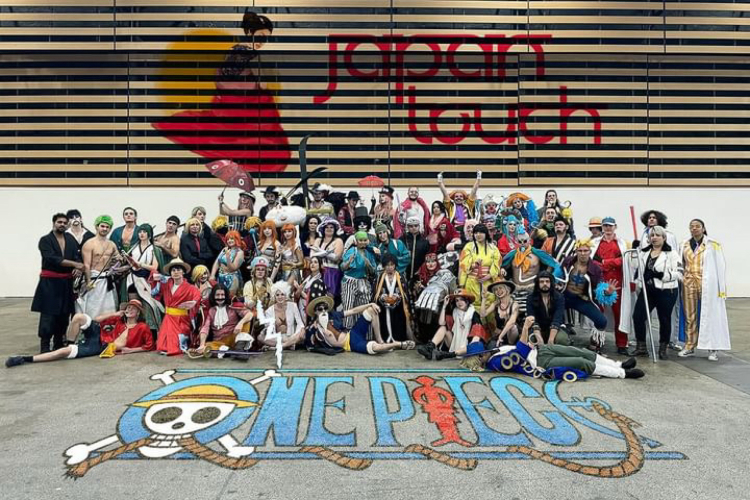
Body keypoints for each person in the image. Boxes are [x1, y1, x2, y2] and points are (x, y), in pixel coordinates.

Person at [486, 315, 645, 380]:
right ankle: (622, 373)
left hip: (541, 350)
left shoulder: (498, 351)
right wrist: (526, 328)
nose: (489, 351)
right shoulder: (494, 363)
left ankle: (619, 365)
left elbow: (522, 348)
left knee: (581, 352)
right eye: (484, 353)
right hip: (541, 363)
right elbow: (520, 352)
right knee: (580, 362)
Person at [6, 300, 153, 368]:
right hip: (99, 334)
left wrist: (130, 351)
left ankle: (25, 359)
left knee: (64, 352)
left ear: (138, 313)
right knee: (78, 317)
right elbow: (97, 320)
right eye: (128, 307)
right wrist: (114, 313)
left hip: (102, 346)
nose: (129, 310)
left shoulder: (142, 327)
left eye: (133, 308)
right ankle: (71, 343)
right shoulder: (119, 320)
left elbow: (149, 345)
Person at [677, 219, 730, 361]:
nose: (694, 229)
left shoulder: (713, 245)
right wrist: (680, 277)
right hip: (688, 283)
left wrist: (721, 288)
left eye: (697, 226)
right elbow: (679, 263)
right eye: (691, 226)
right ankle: (690, 345)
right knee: (690, 316)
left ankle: (712, 348)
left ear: (703, 228)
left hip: (707, 284)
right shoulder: (684, 244)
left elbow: (720, 266)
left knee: (710, 314)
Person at [628, 226, 683, 360]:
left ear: (664, 238)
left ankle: (663, 348)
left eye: (658, 235)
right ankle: (641, 347)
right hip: (648, 290)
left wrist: (662, 275)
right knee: (638, 316)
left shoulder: (671, 253)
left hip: (666, 291)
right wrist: (634, 252)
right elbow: (635, 266)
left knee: (664, 319)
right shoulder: (644, 252)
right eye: (652, 235)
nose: (654, 238)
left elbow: (680, 273)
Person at [32, 213, 83, 353]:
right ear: (53, 223)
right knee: (49, 314)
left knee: (64, 314)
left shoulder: (70, 239)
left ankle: (59, 342)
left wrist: (77, 267)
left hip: (66, 282)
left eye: (65, 223)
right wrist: (75, 264)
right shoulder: (45, 240)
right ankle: (45, 345)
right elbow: (51, 258)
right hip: (50, 282)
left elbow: (77, 257)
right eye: (59, 222)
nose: (62, 224)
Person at [304, 296, 415, 355]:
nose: (323, 310)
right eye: (320, 309)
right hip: (351, 344)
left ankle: (380, 340)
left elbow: (353, 311)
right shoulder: (313, 329)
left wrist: (370, 304)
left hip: (353, 333)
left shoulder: (334, 315)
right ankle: (398, 344)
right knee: (375, 348)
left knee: (371, 310)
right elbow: (302, 337)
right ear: (315, 312)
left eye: (325, 308)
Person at [561, 240, 613, 352]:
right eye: (580, 251)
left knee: (602, 321)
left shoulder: (595, 268)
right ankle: (555, 338)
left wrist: (606, 292)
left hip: (581, 299)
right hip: (564, 296)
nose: (583, 253)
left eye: (585, 251)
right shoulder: (568, 261)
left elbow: (600, 285)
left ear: (590, 252)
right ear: (576, 251)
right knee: (549, 312)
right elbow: (559, 273)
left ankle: (595, 341)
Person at [591, 217, 632, 354]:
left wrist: (605, 262)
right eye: (605, 226)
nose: (608, 228)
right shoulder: (595, 243)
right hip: (600, 281)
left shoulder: (623, 243)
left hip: (618, 282)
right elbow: (592, 261)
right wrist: (611, 262)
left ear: (615, 227)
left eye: (610, 225)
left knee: (620, 313)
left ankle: (622, 344)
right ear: (602, 227)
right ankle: (597, 341)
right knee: (598, 312)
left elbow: (624, 260)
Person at [417, 289, 487, 360]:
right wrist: (444, 306)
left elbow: (476, 336)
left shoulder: (473, 314)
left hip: (467, 347)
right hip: (454, 344)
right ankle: (430, 348)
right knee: (443, 328)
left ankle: (450, 354)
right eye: (457, 300)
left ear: (467, 301)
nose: (459, 302)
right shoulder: (455, 312)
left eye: (461, 300)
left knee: (477, 345)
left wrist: (470, 348)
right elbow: (441, 323)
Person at [153, 259, 200, 356]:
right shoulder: (166, 284)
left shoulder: (190, 287)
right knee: (162, 345)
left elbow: (197, 294)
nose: (176, 272)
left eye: (178, 270)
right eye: (173, 270)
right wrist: (156, 278)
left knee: (176, 344)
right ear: (170, 273)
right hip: (168, 318)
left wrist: (194, 302)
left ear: (183, 272)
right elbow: (154, 290)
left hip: (180, 320)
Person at [192, 284, 255, 355]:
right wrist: (202, 345)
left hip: (235, 337)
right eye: (217, 295)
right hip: (219, 342)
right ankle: (228, 351)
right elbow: (205, 328)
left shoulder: (233, 306)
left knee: (246, 321)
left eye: (222, 295)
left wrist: (240, 323)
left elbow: (250, 314)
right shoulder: (211, 311)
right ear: (213, 296)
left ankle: (239, 348)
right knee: (207, 347)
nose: (220, 297)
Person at [76, 215, 118, 319]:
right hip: (94, 279)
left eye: (107, 227)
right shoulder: (89, 244)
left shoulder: (112, 244)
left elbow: (118, 258)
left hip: (107, 280)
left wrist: (119, 259)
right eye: (102, 226)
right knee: (93, 308)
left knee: (109, 308)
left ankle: (107, 327)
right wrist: (88, 281)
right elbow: (87, 265)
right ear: (96, 226)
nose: (105, 229)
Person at [341, 231, 378, 329]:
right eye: (360, 240)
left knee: (364, 309)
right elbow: (343, 267)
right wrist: (348, 262)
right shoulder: (352, 251)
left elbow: (373, 272)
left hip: (363, 282)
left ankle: (363, 334)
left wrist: (368, 265)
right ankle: (347, 332)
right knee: (348, 307)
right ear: (356, 241)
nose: (363, 242)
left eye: (365, 240)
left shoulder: (369, 253)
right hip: (350, 281)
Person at [458, 223, 501, 307]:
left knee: (489, 305)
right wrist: (473, 265)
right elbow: (463, 265)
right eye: (476, 232)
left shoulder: (493, 248)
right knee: (472, 305)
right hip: (472, 282)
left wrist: (489, 276)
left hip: (488, 282)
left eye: (481, 232)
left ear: (486, 233)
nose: (478, 235)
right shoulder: (468, 247)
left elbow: (497, 264)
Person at [373, 254, 414, 343]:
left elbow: (405, 293)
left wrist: (398, 297)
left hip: (398, 308)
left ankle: (399, 340)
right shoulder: (379, 278)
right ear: (384, 266)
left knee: (398, 322)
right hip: (383, 308)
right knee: (383, 322)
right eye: (387, 265)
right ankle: (385, 339)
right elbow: (375, 294)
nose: (389, 267)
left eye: (392, 265)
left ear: (395, 265)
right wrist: (382, 297)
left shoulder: (401, 277)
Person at [525, 271, 569, 345]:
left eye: (547, 281)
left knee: (562, 340)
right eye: (541, 282)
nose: (545, 284)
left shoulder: (559, 297)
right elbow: (532, 318)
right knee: (531, 340)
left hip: (556, 328)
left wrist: (551, 340)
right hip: (538, 328)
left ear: (551, 283)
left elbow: (557, 319)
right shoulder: (530, 298)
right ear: (537, 284)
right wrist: (538, 337)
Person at [260, 281, 306, 349]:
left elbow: (300, 323)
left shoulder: (293, 306)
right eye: (277, 295)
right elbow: (268, 329)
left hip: (291, 336)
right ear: (274, 296)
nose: (280, 297)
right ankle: (288, 344)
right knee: (260, 337)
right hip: (277, 338)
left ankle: (280, 346)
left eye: (282, 294)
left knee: (302, 334)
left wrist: (302, 329)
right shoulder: (269, 311)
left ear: (286, 296)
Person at [311, 217, 344, 300]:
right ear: (323, 229)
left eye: (331, 227)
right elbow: (312, 255)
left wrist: (319, 251)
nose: (329, 229)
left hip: (332, 273)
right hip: (318, 271)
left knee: (329, 298)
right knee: (317, 296)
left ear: (335, 229)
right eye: (327, 227)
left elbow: (336, 258)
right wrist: (328, 253)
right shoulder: (318, 240)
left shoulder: (338, 241)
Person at [481, 278, 520, 346]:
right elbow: (483, 314)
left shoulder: (514, 305)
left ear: (507, 289)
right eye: (496, 289)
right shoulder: (495, 304)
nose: (498, 291)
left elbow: (512, 322)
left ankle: (510, 346)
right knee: (491, 346)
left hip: (512, 336)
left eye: (500, 288)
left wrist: (500, 336)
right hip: (499, 334)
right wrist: (484, 299)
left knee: (513, 327)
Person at [211, 230, 245, 297]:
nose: (229, 241)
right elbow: (217, 262)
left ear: (236, 239)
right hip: (220, 277)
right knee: (220, 297)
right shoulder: (225, 249)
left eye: (232, 238)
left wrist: (228, 257)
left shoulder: (240, 252)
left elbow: (233, 268)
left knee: (229, 298)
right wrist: (212, 275)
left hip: (232, 279)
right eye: (228, 239)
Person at [294, 255, 327, 320]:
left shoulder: (319, 281)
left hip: (310, 309)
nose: (312, 264)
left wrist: (298, 287)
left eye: (315, 262)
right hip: (301, 306)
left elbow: (312, 299)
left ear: (320, 265)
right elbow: (297, 295)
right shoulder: (307, 277)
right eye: (311, 262)